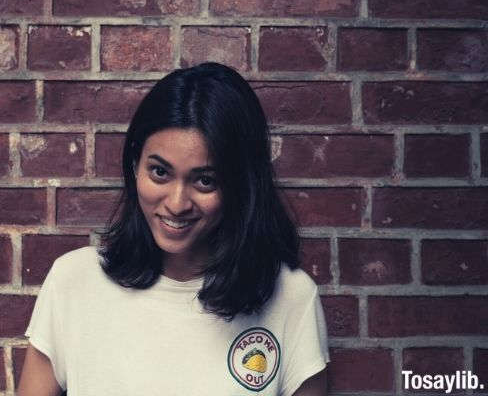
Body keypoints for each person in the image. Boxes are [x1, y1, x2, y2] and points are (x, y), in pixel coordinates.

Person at [18, 62, 330, 395]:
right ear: (135, 164)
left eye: (205, 180)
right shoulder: (75, 282)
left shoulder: (290, 297)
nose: (177, 203)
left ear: (241, 185)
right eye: (160, 173)